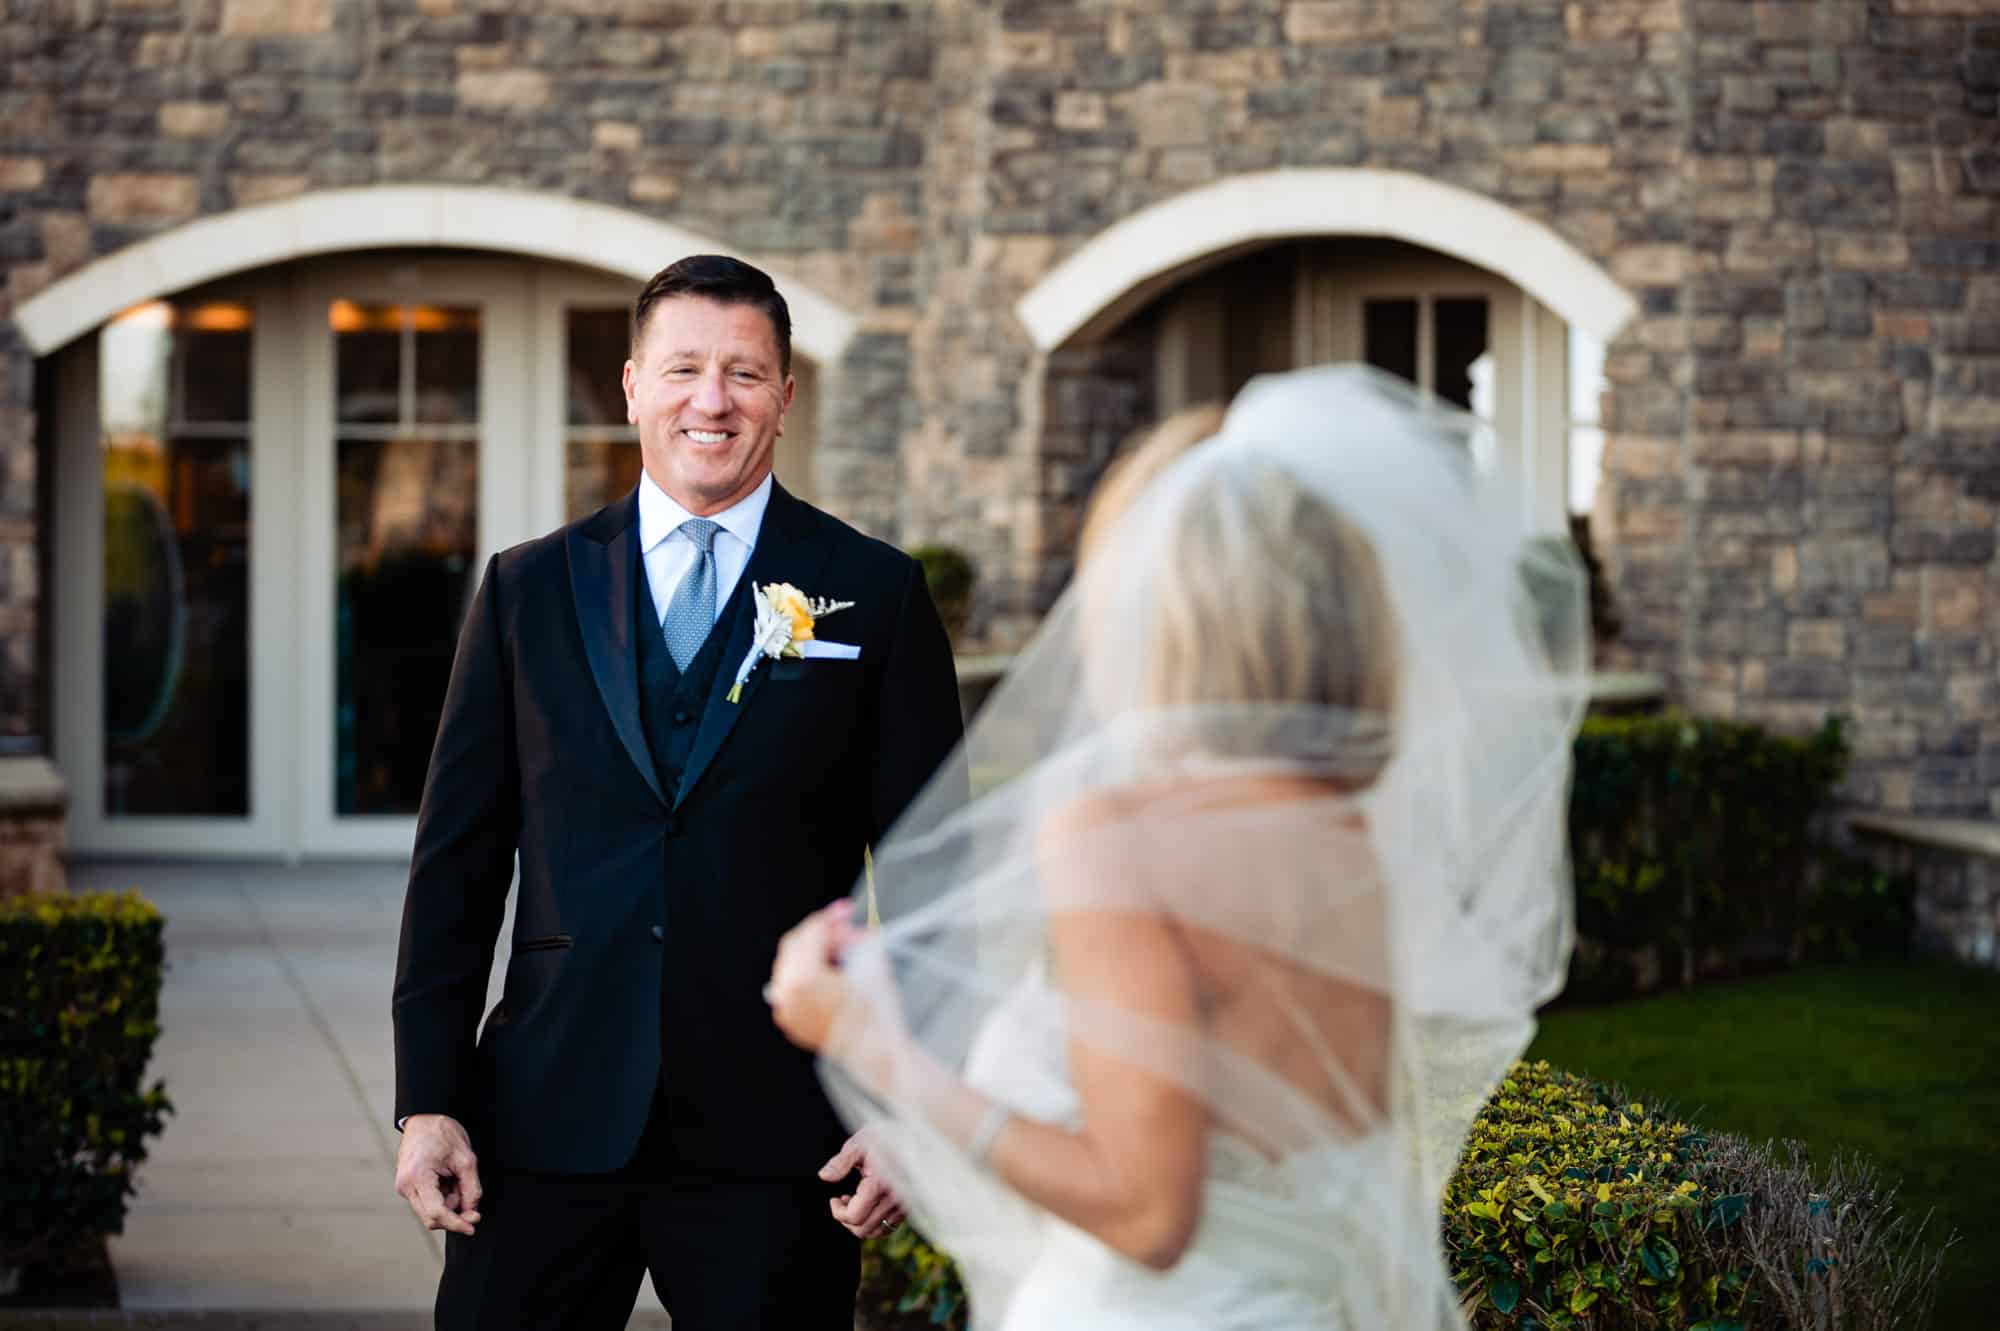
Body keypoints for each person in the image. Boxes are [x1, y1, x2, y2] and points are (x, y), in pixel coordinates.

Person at [765, 366, 1592, 1330]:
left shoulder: (1120, 840)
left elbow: (1149, 1210)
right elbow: (1222, 1108)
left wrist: (869, 1043)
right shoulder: (1348, 837)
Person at [391, 254, 965, 1331]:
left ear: (785, 398)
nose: (712, 400)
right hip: (544, 1119)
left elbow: (940, 873)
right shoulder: (527, 588)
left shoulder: (875, 593)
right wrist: (427, 1097)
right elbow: (457, 864)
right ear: (630, 385)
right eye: (684, 368)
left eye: (745, 373)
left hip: (779, 1131)